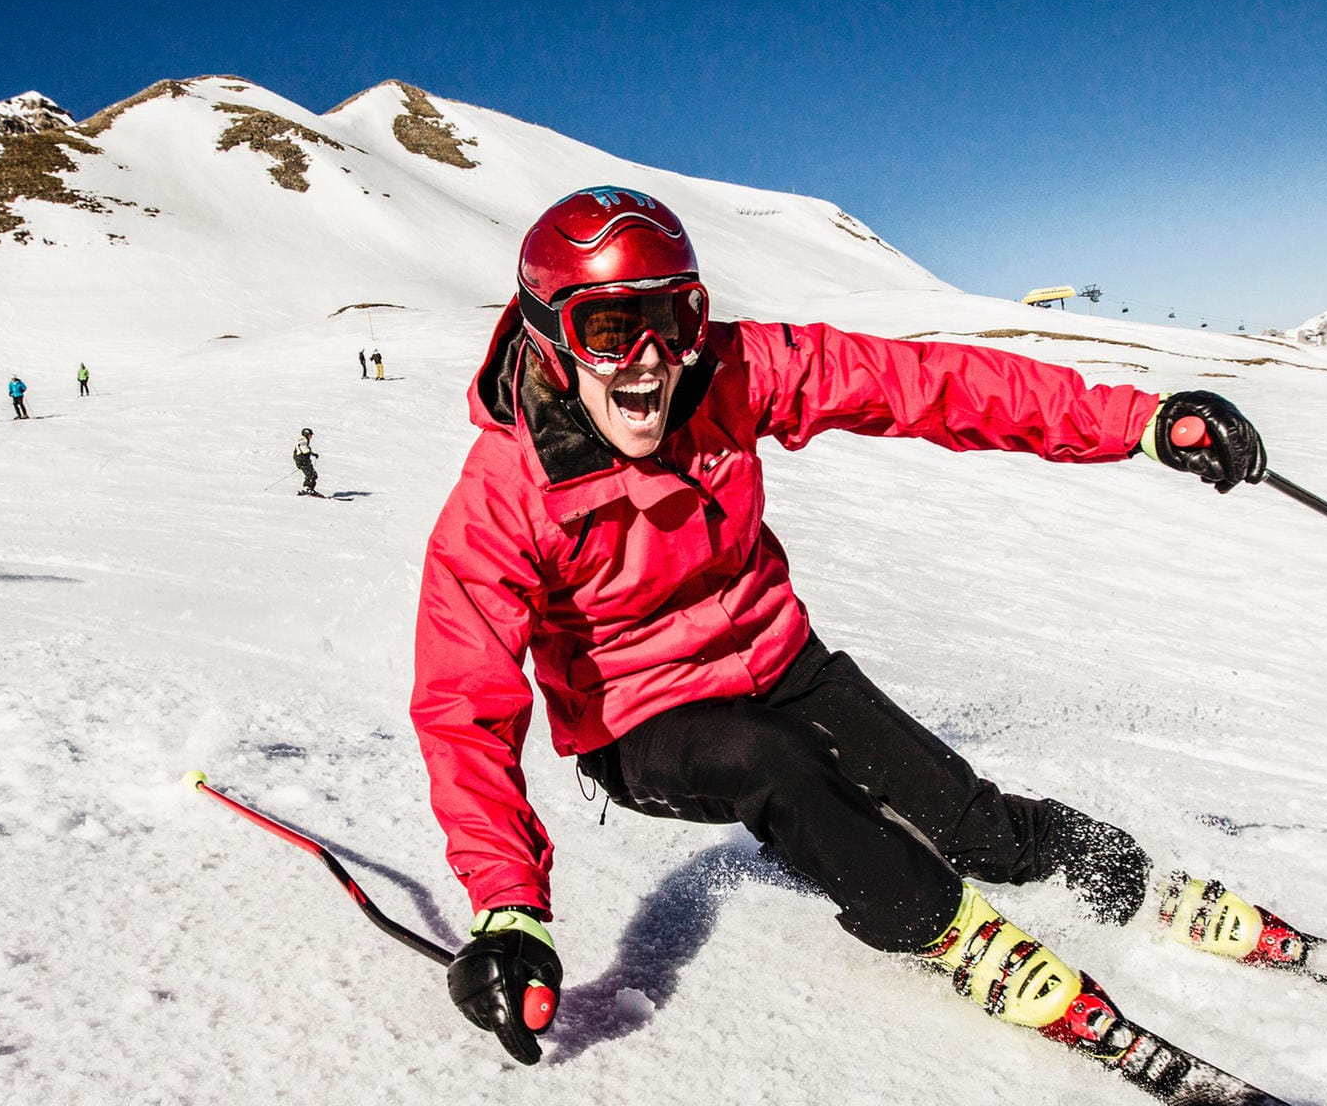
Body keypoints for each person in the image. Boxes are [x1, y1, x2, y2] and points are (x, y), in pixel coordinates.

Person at [412, 187, 1277, 1070]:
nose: (649, 361)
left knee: (966, 819)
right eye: (608, 329)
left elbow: (924, 384)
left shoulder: (728, 370)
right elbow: (461, 706)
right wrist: (509, 904)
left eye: (674, 318)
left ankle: (1104, 870)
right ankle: (943, 928)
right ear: (551, 336)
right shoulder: (501, 500)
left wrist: (1138, 424)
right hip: (640, 722)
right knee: (774, 764)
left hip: (783, 660)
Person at [293, 429, 321, 497]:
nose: (311, 437)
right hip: (303, 461)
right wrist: (309, 451)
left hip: (302, 460)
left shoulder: (302, 440)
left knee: (311, 474)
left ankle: (307, 488)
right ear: (306, 434)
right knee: (312, 475)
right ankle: (308, 489)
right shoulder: (303, 440)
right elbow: (303, 448)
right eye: (310, 435)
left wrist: (313, 454)